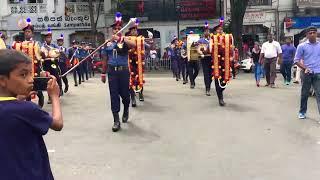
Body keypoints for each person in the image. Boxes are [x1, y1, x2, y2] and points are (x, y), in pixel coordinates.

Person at [0, 49, 63, 180]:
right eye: (23, 75)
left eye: (31, 74)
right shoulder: (26, 109)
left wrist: (18, 98)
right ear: (2, 80)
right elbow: (57, 124)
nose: (30, 80)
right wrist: (55, 97)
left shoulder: (15, 108)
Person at [101, 12, 136, 132]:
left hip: (123, 71)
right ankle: (116, 120)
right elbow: (105, 58)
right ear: (112, 30)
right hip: (112, 72)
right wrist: (103, 72)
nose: (116, 30)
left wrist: (120, 38)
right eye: (114, 29)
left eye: (118, 28)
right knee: (113, 95)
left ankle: (126, 109)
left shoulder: (125, 40)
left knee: (125, 96)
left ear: (121, 30)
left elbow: (134, 45)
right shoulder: (108, 42)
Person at [11, 18, 44, 107]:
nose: (27, 33)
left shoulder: (35, 44)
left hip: (34, 69)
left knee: (37, 88)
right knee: (26, 88)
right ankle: (28, 105)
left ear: (32, 33)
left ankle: (41, 102)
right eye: (26, 32)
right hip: (24, 70)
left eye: (29, 31)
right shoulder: (19, 44)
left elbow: (39, 56)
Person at [293, 26, 320, 120]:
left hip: (318, 73)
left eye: (314, 32)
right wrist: (305, 68)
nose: (312, 34)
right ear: (307, 35)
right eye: (310, 33)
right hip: (306, 74)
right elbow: (296, 60)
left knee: (319, 94)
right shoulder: (302, 46)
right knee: (305, 94)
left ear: (317, 34)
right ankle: (302, 112)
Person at [41, 28, 63, 102]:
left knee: (56, 76)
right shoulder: (42, 46)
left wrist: (56, 53)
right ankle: (50, 97)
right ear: (45, 38)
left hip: (53, 63)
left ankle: (59, 89)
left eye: (49, 37)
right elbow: (42, 55)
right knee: (48, 79)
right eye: (47, 37)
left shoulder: (54, 45)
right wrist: (43, 54)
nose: (48, 39)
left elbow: (58, 53)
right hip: (46, 63)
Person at [198, 21, 212, 96]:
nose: (207, 32)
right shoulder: (200, 40)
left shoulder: (212, 40)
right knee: (206, 74)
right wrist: (201, 54)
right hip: (204, 59)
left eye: (208, 31)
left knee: (212, 75)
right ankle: (207, 88)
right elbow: (198, 49)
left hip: (212, 59)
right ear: (204, 33)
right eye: (206, 31)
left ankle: (208, 84)